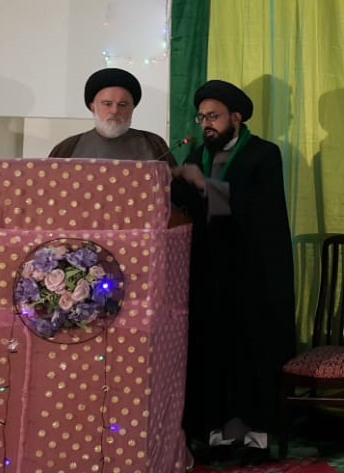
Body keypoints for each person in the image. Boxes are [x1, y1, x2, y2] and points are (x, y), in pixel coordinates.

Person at [171, 80, 295, 465]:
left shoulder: (263, 153)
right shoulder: (198, 157)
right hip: (209, 275)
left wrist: (205, 186)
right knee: (214, 355)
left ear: (236, 118)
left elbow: (259, 209)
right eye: (202, 117)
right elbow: (189, 207)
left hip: (254, 275)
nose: (207, 124)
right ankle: (218, 436)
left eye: (215, 116)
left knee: (251, 355)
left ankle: (255, 438)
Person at [49, 67, 170, 160]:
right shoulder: (67, 149)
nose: (115, 111)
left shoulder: (154, 144)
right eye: (107, 104)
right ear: (92, 107)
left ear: (132, 108)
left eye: (122, 104)